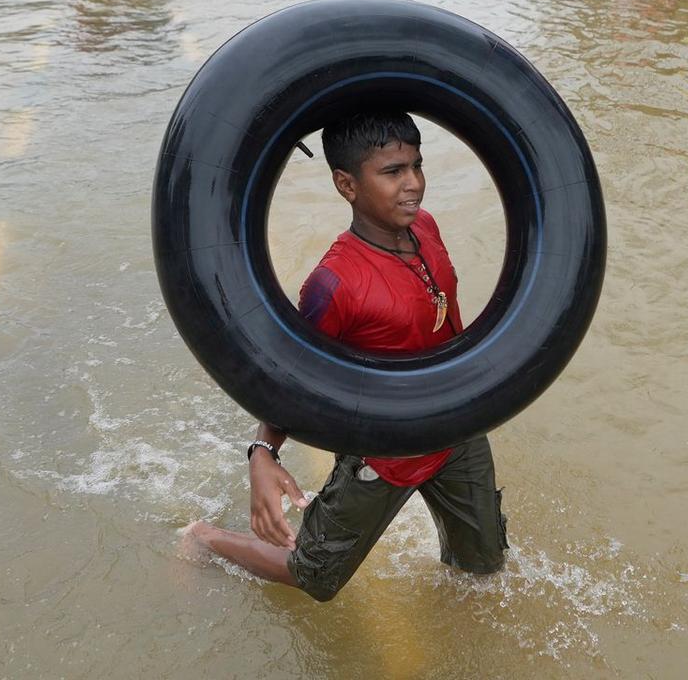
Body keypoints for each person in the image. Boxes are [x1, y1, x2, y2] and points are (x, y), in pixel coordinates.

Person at [180, 110, 507, 603]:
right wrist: (263, 452)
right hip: (384, 452)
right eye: (393, 172)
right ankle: (205, 537)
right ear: (346, 184)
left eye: (417, 165)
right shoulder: (334, 284)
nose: (413, 184)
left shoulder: (428, 228)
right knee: (315, 577)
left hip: (454, 431)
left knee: (482, 568)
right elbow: (287, 375)